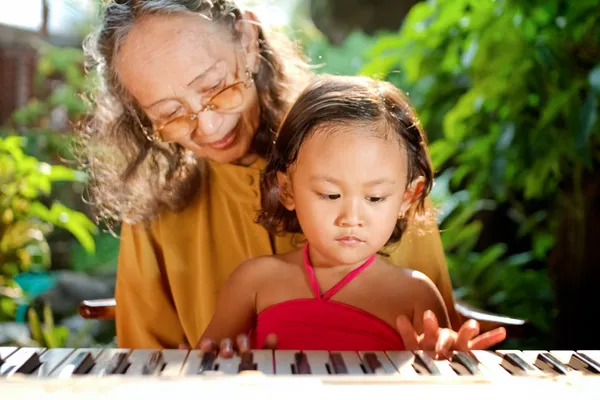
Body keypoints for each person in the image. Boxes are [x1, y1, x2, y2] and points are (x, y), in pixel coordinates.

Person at [78, 0, 505, 351]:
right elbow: (149, 362)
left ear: (246, 41)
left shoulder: (369, 150)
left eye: (215, 88)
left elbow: (431, 331)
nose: (207, 129)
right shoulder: (157, 204)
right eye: (170, 114)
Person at [197, 74, 453, 355]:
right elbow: (201, 371)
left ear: (408, 197)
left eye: (375, 198)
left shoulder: (415, 294)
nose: (351, 217)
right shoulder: (253, 281)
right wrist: (227, 368)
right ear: (287, 191)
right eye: (330, 195)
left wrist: (445, 364)